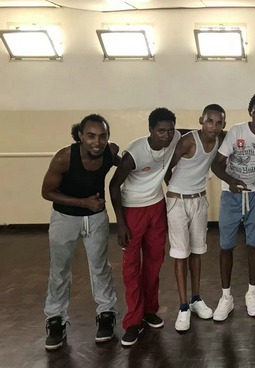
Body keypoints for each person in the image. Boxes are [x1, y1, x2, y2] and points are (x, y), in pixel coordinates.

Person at [41, 114, 120, 350]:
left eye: (102, 136)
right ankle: (55, 319)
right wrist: (83, 203)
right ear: (80, 136)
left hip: (96, 218)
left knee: (100, 266)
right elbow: (47, 192)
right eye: (91, 136)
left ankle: (106, 314)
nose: (97, 142)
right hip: (64, 218)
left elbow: (123, 162)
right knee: (60, 269)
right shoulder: (64, 157)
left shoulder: (109, 152)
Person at [109, 108, 182, 347]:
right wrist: (120, 223)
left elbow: (193, 132)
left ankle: (149, 310)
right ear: (150, 130)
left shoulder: (175, 137)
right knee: (131, 267)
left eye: (170, 130)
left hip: (157, 207)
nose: (166, 135)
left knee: (154, 263)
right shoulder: (135, 152)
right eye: (161, 131)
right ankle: (132, 321)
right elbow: (113, 186)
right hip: (132, 210)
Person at [210, 92, 255, 322]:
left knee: (254, 245)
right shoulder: (237, 132)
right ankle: (226, 297)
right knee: (226, 246)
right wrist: (231, 181)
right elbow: (217, 165)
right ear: (250, 113)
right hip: (231, 195)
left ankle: (252, 293)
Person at [164, 104, 226, 332]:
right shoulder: (188, 141)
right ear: (201, 120)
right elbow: (167, 168)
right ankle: (183, 307)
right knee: (181, 254)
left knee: (197, 252)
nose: (214, 127)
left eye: (219, 123)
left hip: (199, 200)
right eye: (210, 121)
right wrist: (174, 190)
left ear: (223, 125)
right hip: (178, 201)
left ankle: (196, 299)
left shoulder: (220, 140)